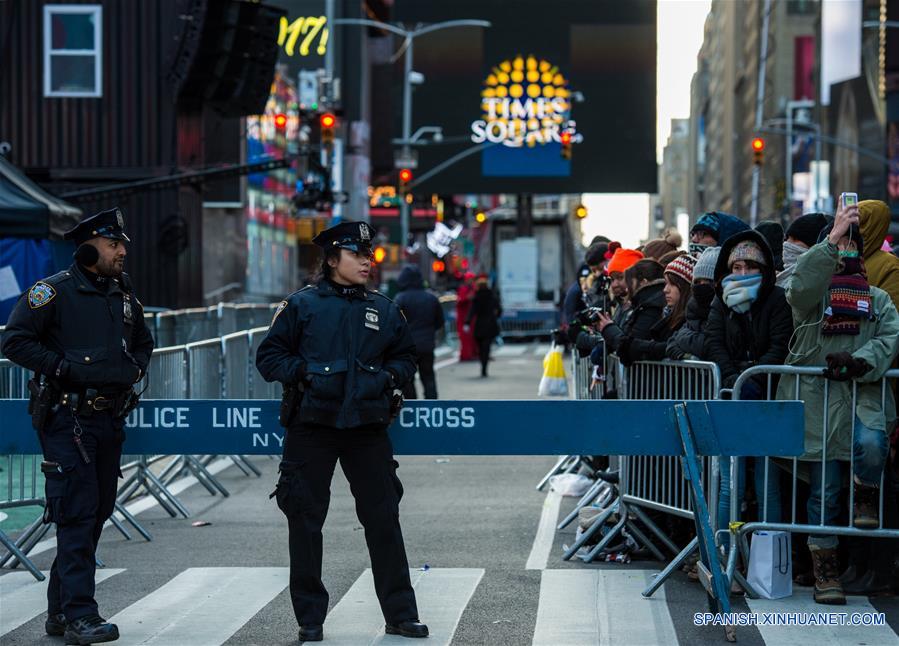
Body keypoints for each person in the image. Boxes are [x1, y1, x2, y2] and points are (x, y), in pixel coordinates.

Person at [256, 221, 427, 642]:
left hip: (367, 428)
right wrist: (307, 374)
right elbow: (269, 358)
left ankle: (400, 614)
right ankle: (309, 619)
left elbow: (408, 359)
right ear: (332, 259)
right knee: (305, 521)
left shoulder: (385, 309)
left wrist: (388, 378)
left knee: (383, 519)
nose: (367, 261)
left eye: (369, 254)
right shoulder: (301, 306)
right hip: (311, 427)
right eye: (357, 255)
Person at [1, 207, 154, 645]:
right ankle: (81, 616)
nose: (123, 251)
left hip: (108, 419)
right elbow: (14, 341)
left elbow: (143, 340)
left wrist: (132, 367)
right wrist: (62, 368)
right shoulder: (53, 292)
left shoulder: (121, 293)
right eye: (114, 244)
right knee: (78, 513)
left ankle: (59, 610)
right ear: (88, 249)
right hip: (67, 420)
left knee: (95, 513)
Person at [779, 202, 899, 604]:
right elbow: (798, 287)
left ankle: (866, 489)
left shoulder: (878, 299)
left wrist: (859, 362)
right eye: (837, 249)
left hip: (861, 397)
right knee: (824, 494)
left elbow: (889, 338)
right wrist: (830, 238)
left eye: (853, 247)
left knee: (872, 446)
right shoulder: (814, 299)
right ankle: (824, 572)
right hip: (819, 408)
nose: (845, 254)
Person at [706, 230, 792, 556]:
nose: (742, 273)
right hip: (732, 397)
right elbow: (714, 344)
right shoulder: (720, 300)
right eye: (736, 267)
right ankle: (725, 555)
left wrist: (755, 377)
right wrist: (735, 380)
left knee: (766, 483)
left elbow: (780, 344)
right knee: (731, 483)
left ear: (765, 270)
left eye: (750, 267)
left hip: (766, 397)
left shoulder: (778, 300)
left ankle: (767, 560)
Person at [616, 253, 696, 364]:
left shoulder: (691, 318)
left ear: (685, 287)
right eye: (666, 283)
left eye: (672, 284)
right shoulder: (669, 315)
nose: (665, 290)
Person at [597, 259, 666, 358]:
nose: (627, 288)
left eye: (629, 282)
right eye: (612, 279)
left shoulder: (651, 307)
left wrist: (609, 329)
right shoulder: (641, 305)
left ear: (643, 282)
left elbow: (630, 347)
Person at [394, 265, 444, 399]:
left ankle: (413, 406)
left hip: (407, 347)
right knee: (428, 376)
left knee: (408, 379)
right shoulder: (431, 298)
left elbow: (394, 323)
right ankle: (431, 405)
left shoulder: (400, 298)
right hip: (427, 344)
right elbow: (440, 321)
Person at [667, 247, 720, 360]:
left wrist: (682, 339)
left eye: (709, 281)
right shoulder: (693, 308)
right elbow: (671, 343)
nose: (702, 286)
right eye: (697, 282)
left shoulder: (725, 311)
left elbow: (713, 346)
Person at [778, 213, 830, 288]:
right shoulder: (777, 279)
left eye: (795, 239)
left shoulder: (817, 285)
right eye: (787, 238)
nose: (787, 243)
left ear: (813, 247)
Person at [465, 274, 502, 377]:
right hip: (490, 323)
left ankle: (482, 362)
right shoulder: (492, 296)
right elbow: (499, 309)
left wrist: (467, 322)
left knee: (480, 346)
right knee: (487, 347)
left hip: (479, 324)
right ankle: (484, 367)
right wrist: (496, 316)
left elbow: (472, 311)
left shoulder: (476, 297)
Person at [455, 273, 478, 361]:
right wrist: (467, 298)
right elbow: (460, 302)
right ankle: (466, 355)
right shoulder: (464, 289)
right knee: (465, 338)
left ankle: (471, 353)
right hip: (463, 318)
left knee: (471, 337)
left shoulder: (473, 289)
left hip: (470, 318)